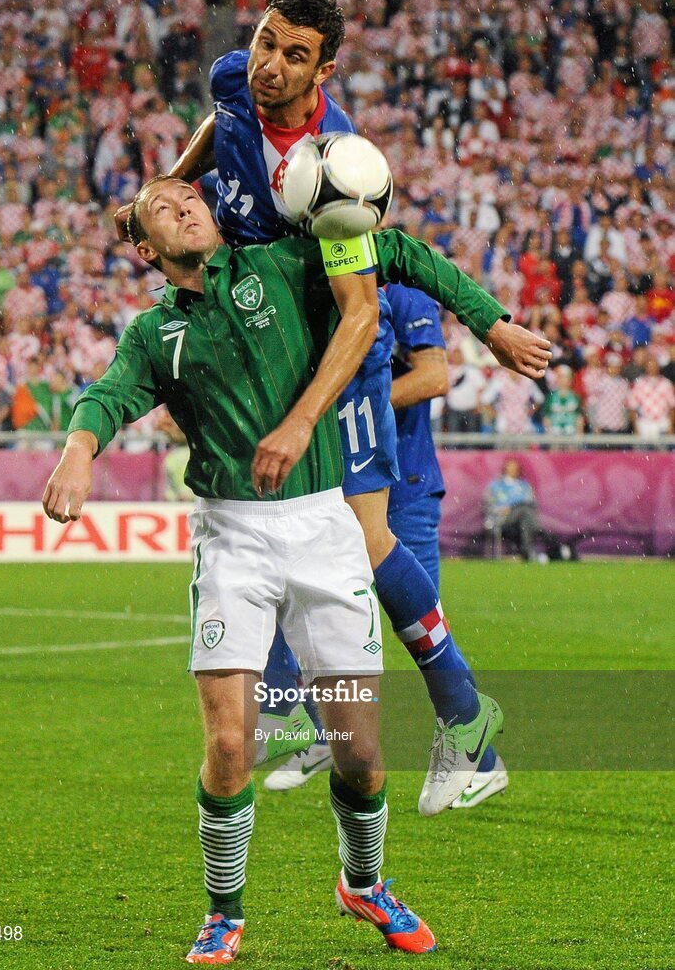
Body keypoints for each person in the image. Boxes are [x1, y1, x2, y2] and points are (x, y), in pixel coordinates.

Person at [46, 176, 549, 963]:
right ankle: (224, 913)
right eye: (163, 210)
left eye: (191, 197)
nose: (186, 206)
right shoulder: (154, 334)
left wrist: (491, 322)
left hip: (325, 526)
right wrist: (78, 455)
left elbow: (401, 252)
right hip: (232, 540)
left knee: (360, 752)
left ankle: (364, 882)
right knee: (228, 745)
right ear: (146, 250)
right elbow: (106, 397)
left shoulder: (286, 263)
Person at [114, 0, 550, 816]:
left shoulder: (334, 165)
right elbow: (223, 117)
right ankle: (393, 723)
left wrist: (305, 416)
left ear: (327, 69)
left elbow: (359, 311)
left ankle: (466, 725)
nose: (270, 67)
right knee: (317, 543)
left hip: (336, 361)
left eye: (294, 56)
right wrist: (170, 182)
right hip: (275, 345)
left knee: (364, 535)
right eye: (265, 43)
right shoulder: (235, 77)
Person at [265, 287, 509, 810]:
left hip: (408, 485)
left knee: (415, 623)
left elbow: (435, 377)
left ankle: (483, 761)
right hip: (344, 480)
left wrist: (346, 392)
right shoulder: (311, 286)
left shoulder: (403, 297)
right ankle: (316, 731)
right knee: (308, 605)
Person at [484, 458, 572, 562]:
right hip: (502, 518)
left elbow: (532, 502)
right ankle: (542, 538)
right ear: (505, 469)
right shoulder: (496, 485)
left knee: (525, 514)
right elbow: (487, 505)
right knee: (526, 513)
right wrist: (499, 509)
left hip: (522, 518)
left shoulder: (524, 486)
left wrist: (515, 507)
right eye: (510, 467)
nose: (513, 470)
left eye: (515, 468)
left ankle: (529, 552)